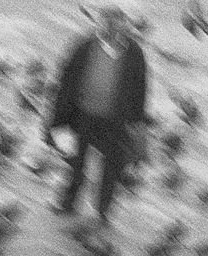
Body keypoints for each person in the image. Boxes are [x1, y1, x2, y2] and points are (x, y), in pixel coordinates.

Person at [44, 3, 149, 222]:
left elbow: (141, 88)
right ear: (100, 23)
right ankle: (67, 203)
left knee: (112, 167)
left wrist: (137, 121)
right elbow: (65, 79)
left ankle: (103, 211)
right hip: (82, 115)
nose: (112, 27)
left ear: (124, 26)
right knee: (75, 162)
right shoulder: (84, 46)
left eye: (117, 23)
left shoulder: (135, 53)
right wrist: (56, 118)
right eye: (107, 22)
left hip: (115, 120)